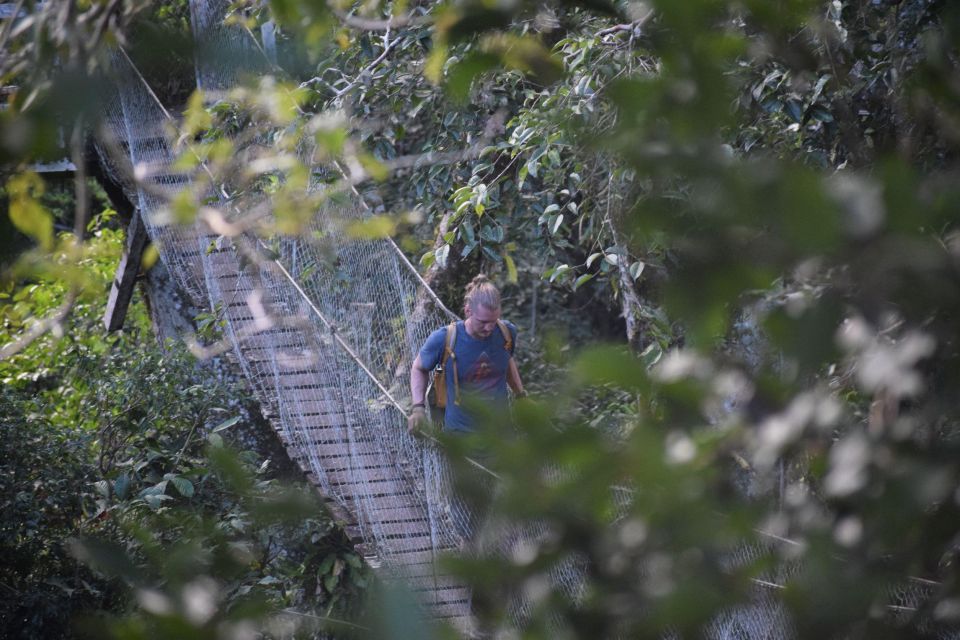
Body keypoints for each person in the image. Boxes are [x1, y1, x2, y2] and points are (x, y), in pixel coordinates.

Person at [408, 274, 525, 435]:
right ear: (468, 310)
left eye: (494, 320)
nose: (489, 328)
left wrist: (521, 395)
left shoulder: (506, 333)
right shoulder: (445, 339)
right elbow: (419, 367)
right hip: (461, 439)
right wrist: (418, 408)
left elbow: (507, 360)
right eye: (483, 322)